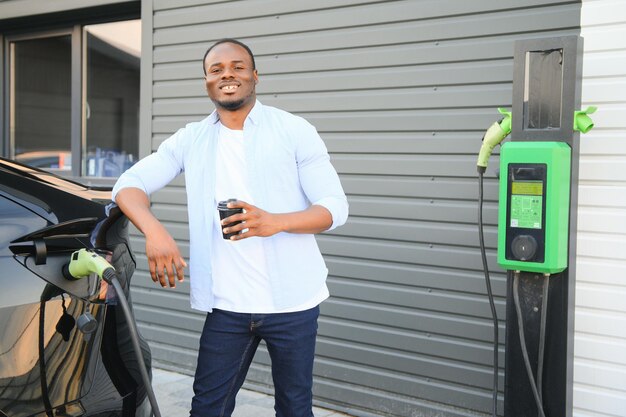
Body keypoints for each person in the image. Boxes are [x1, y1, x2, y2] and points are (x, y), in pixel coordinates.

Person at [112, 38, 348, 417]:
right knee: (208, 408)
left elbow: (335, 208)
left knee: (294, 407)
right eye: (216, 69)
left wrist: (276, 222)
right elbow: (128, 184)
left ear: (255, 76)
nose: (227, 75)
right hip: (227, 306)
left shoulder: (294, 129)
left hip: (294, 302)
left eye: (238, 67)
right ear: (206, 81)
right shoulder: (191, 138)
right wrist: (154, 232)